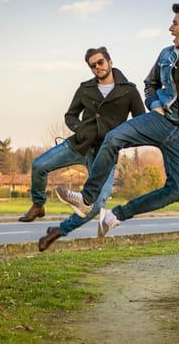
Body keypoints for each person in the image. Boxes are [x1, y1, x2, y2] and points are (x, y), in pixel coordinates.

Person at [53, 3, 179, 238]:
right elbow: (150, 84)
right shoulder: (167, 54)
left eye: (174, 23)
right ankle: (87, 199)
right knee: (113, 137)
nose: (170, 28)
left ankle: (115, 216)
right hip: (162, 121)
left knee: (176, 191)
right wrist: (155, 105)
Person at [20, 47, 145, 251]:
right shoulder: (85, 88)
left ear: (110, 62)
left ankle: (58, 231)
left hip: (105, 153)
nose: (97, 67)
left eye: (100, 62)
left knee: (95, 205)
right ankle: (38, 205)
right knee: (39, 165)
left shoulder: (129, 90)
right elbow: (70, 115)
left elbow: (140, 122)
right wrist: (80, 130)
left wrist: (121, 139)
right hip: (79, 144)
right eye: (93, 65)